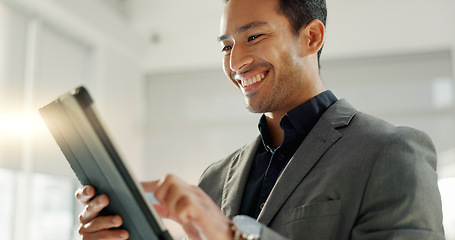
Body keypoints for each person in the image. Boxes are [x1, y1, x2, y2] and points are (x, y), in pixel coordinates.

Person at [75, 0, 445, 239]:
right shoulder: (215, 179)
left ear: (311, 37)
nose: (235, 63)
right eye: (226, 46)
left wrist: (234, 236)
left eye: (253, 36)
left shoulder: (392, 152)